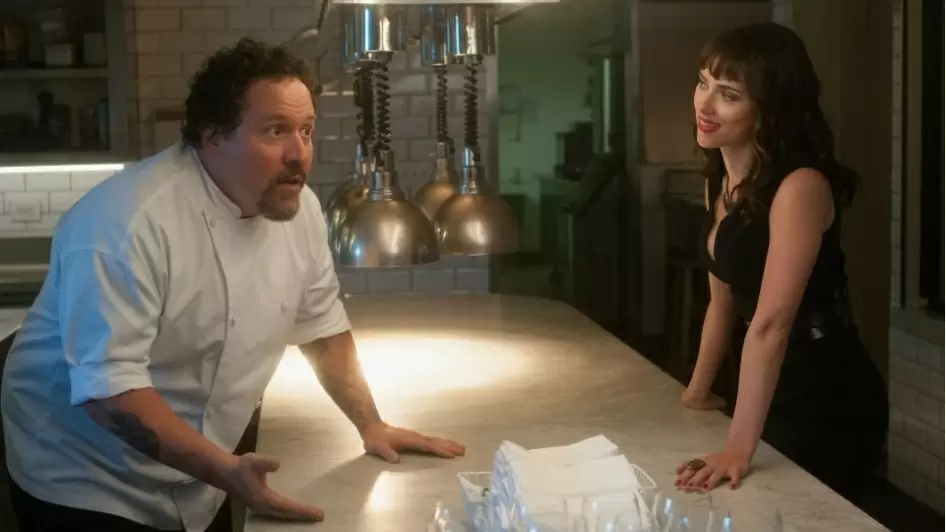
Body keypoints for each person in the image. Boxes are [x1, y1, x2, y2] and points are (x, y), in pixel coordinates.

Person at [1, 38, 465, 532]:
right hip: (85, 476)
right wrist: (225, 470)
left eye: (307, 130)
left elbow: (321, 326)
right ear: (212, 136)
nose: (300, 153)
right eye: (275, 130)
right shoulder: (125, 224)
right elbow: (110, 391)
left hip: (206, 469)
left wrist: (370, 423)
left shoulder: (302, 211)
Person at [673, 22, 888, 507]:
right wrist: (697, 393)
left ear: (769, 110)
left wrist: (737, 448)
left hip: (824, 394)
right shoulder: (719, 182)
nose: (705, 104)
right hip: (765, 383)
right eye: (703, 82)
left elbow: (772, 323)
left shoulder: (800, 186)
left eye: (728, 94)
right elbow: (722, 304)